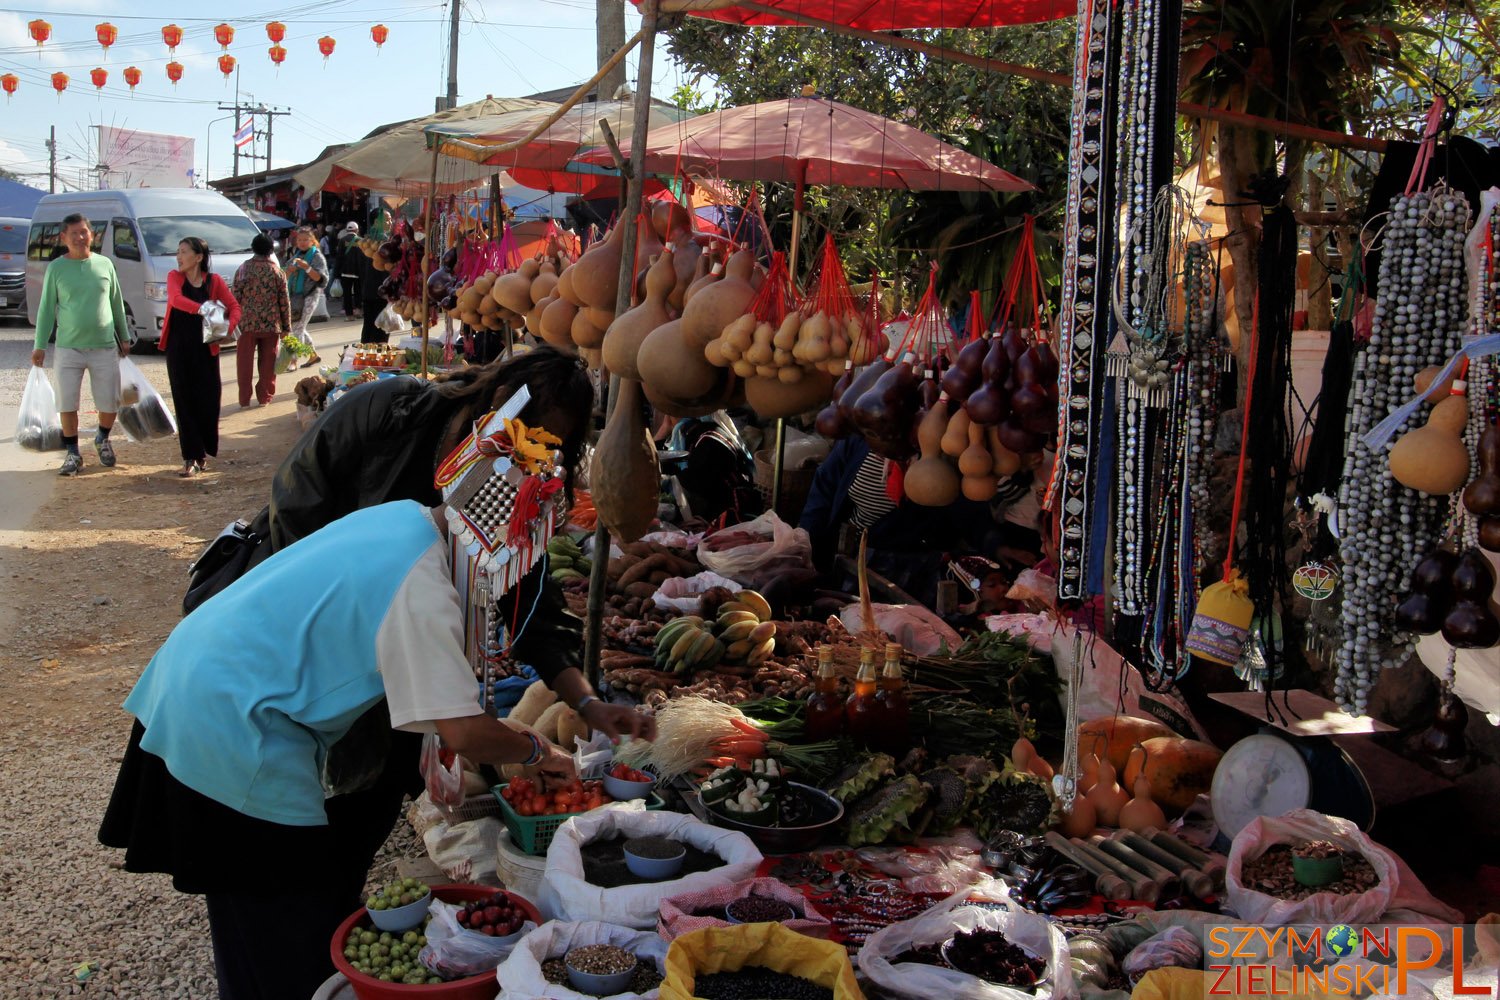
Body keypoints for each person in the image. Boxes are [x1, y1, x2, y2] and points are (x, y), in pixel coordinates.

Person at [98, 497, 596, 1000]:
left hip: (195, 676)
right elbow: (464, 732)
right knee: (290, 927)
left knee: (248, 914)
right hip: (233, 724)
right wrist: (536, 751)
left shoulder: (408, 517)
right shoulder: (424, 589)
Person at [30, 213, 132, 476]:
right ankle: (73, 454)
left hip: (104, 346)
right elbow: (45, 310)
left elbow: (116, 302)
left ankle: (102, 438)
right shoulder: (56, 268)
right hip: (68, 348)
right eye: (73, 233)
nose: (80, 237)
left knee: (109, 402)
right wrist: (39, 345)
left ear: (92, 235)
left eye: (84, 231)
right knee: (67, 403)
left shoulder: (105, 264)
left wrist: (124, 336)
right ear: (64, 238)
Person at [161, 237, 241, 478]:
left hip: (206, 349)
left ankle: (203, 452)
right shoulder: (175, 277)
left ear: (198, 257)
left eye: (183, 252)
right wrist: (203, 308)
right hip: (179, 347)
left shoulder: (213, 281)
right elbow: (176, 300)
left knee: (208, 400)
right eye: (178, 251)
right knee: (184, 401)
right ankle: (190, 457)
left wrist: (228, 329)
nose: (179, 256)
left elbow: (235, 307)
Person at [230, 235, 291, 408]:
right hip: (272, 324)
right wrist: (286, 327)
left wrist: (233, 320)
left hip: (246, 324)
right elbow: (284, 302)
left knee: (244, 362)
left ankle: (244, 399)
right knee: (268, 362)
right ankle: (265, 397)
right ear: (272, 250)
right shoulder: (277, 272)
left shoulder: (243, 269)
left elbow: (235, 296)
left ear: (253, 248)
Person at [285, 225, 328, 350]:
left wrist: (307, 267)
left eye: (305, 240)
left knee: (298, 327)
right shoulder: (295, 257)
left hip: (310, 295)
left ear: (312, 241)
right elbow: (285, 277)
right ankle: (312, 355)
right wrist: (289, 271)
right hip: (295, 297)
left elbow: (321, 279)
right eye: (299, 240)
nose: (302, 243)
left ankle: (293, 359)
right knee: (297, 327)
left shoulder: (317, 257)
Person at [338, 221, 362, 320]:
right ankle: (359, 311)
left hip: (345, 272)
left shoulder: (342, 240)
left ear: (347, 230)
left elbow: (339, 257)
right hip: (358, 272)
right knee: (358, 292)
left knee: (347, 294)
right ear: (357, 230)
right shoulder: (361, 240)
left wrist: (336, 273)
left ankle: (349, 315)